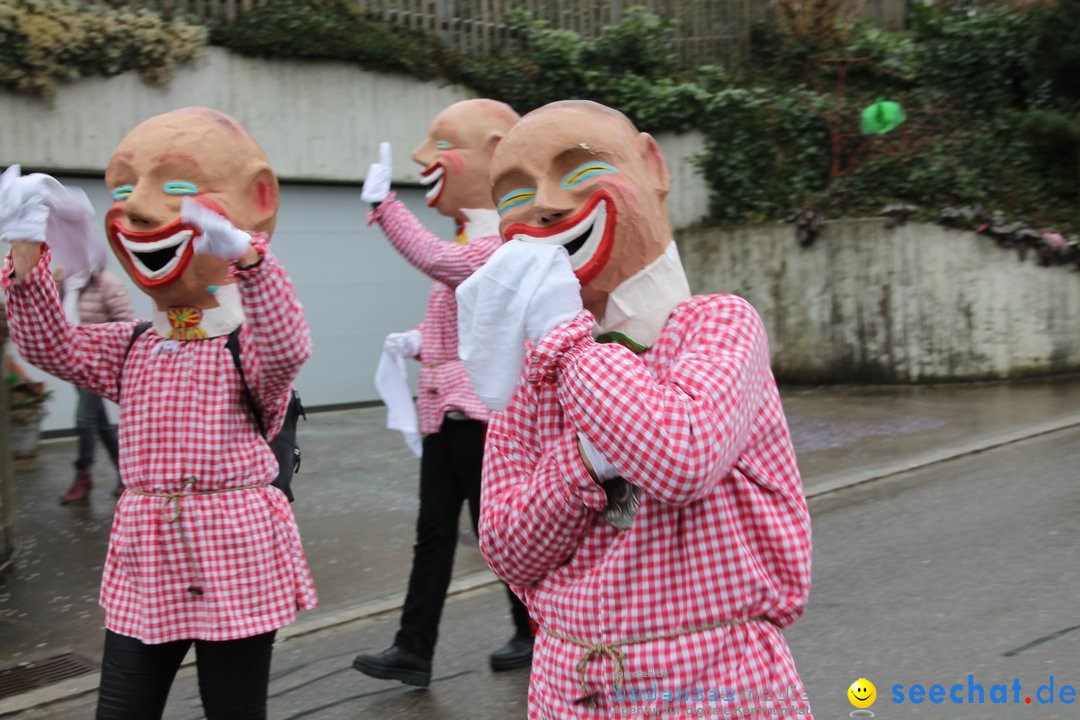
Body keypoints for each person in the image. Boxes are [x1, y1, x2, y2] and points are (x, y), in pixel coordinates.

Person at [456, 100, 814, 718]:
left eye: (576, 172)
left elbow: (680, 457)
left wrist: (565, 338)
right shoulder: (532, 375)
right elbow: (507, 547)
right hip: (572, 688)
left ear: (652, 165)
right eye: (514, 194)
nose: (545, 204)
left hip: (713, 686)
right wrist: (587, 460)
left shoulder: (718, 326)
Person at [0, 107, 316, 720]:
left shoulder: (243, 346)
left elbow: (285, 348)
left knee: (232, 708)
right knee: (121, 708)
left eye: (175, 188)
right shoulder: (131, 344)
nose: (138, 208)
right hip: (148, 554)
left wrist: (251, 263)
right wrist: (24, 251)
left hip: (236, 551)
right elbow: (49, 345)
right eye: (122, 191)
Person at [351, 99, 534, 688]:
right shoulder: (470, 241)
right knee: (433, 537)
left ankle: (541, 630)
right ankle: (414, 649)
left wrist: (385, 206)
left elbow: (441, 261)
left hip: (482, 420)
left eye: (441, 143)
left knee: (498, 536)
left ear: (497, 151)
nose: (420, 157)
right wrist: (415, 342)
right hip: (445, 418)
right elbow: (456, 324)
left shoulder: (501, 242)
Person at [56, 264, 135, 504]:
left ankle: (84, 476)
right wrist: (56, 285)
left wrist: (110, 356)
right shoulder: (67, 282)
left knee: (84, 420)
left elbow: (126, 322)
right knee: (100, 424)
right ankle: (124, 476)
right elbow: (55, 317)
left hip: (98, 363)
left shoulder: (106, 282)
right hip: (74, 363)